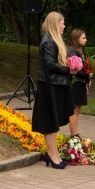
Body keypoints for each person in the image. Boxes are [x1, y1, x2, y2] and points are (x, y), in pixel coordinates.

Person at [33, 11, 74, 168]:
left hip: (53, 85)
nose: (64, 26)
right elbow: (50, 65)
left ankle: (54, 154)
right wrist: (69, 70)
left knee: (52, 121)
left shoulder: (52, 40)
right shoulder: (48, 41)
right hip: (49, 85)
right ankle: (51, 155)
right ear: (56, 24)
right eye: (62, 23)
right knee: (50, 121)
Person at [66, 28, 92, 138]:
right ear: (77, 39)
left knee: (77, 110)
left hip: (80, 83)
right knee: (74, 110)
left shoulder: (77, 51)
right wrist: (87, 76)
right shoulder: (73, 51)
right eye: (83, 38)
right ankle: (74, 134)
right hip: (76, 84)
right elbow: (75, 70)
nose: (86, 40)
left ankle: (75, 134)